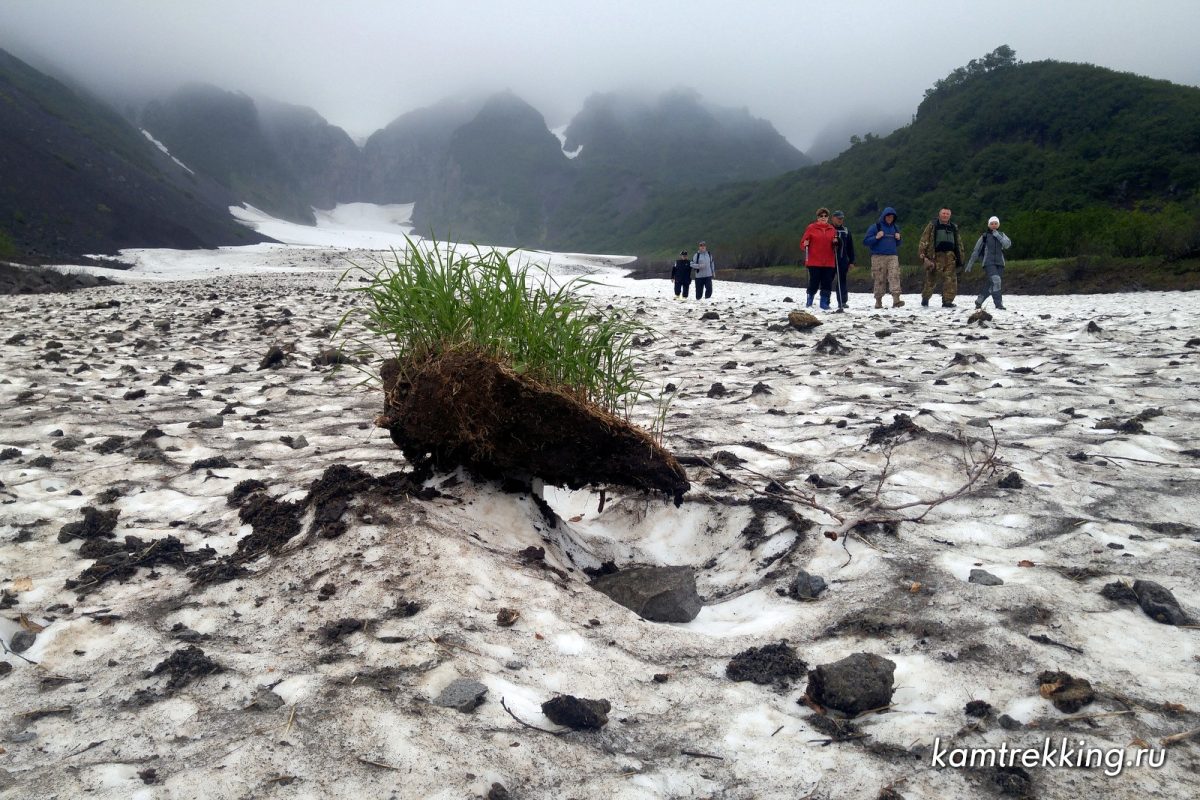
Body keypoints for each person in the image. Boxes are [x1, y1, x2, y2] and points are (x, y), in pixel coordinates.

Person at [917, 207, 966, 308]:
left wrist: (961, 257)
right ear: (939, 214)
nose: (945, 215)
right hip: (935, 256)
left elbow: (959, 243)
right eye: (943, 213)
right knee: (931, 279)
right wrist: (922, 254)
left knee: (950, 280)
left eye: (947, 214)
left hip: (950, 256)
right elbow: (924, 239)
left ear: (950, 215)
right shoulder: (933, 225)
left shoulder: (953, 227)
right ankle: (925, 299)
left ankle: (947, 301)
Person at [964, 216, 1012, 310]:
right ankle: (999, 304)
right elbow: (976, 251)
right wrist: (970, 264)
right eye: (992, 224)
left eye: (995, 223)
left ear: (998, 225)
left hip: (1000, 263)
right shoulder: (984, 236)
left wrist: (997, 235)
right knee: (996, 281)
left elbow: (1007, 245)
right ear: (989, 225)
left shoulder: (1002, 234)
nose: (993, 225)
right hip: (988, 263)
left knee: (992, 284)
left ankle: (979, 300)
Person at [862, 206, 904, 308]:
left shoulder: (896, 228)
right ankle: (878, 301)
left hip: (893, 256)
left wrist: (899, 238)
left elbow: (899, 243)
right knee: (879, 278)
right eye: (888, 216)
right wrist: (876, 237)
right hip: (878, 257)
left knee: (895, 276)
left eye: (892, 216)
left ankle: (896, 300)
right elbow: (865, 241)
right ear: (884, 216)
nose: (890, 218)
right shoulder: (875, 227)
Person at [799, 208, 838, 309]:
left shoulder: (832, 229)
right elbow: (802, 244)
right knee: (814, 282)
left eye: (825, 216)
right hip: (814, 261)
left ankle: (824, 303)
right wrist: (805, 244)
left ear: (828, 218)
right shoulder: (811, 228)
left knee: (827, 283)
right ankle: (810, 299)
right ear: (818, 217)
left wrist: (836, 243)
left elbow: (836, 245)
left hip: (829, 261)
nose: (823, 218)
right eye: (821, 216)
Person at [830, 210, 855, 311]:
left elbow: (850, 247)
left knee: (842, 281)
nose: (840, 220)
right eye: (838, 218)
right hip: (830, 260)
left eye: (841, 218)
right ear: (833, 218)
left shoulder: (846, 231)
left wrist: (852, 261)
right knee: (828, 280)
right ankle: (825, 300)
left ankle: (842, 302)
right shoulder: (828, 230)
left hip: (842, 260)